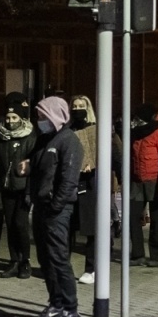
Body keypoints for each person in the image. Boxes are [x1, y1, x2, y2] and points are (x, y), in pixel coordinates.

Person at [28, 96, 83, 317]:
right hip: (42, 207)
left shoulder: (69, 141)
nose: (39, 120)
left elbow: (68, 179)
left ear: (55, 116)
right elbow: (40, 168)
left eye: (42, 116)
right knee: (45, 258)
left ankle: (71, 312)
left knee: (59, 260)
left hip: (56, 210)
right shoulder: (45, 139)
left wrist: (55, 206)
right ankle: (56, 303)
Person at [0, 91, 35, 280]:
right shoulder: (1, 137)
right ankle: (14, 261)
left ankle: (25, 262)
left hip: (23, 188)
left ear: (21, 118)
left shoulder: (30, 137)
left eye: (14, 117)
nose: (10, 120)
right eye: (8, 117)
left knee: (20, 224)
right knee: (10, 225)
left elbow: (33, 162)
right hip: (5, 187)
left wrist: (30, 187)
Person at [128, 103, 158, 266]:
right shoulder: (136, 133)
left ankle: (157, 257)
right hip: (137, 181)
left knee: (157, 221)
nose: (135, 121)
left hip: (156, 181)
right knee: (132, 218)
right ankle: (138, 254)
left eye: (138, 118)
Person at [68, 95, 102, 284]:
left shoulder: (95, 129)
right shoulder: (68, 130)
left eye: (81, 106)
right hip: (72, 182)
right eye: (75, 106)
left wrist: (92, 164)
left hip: (91, 183)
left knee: (91, 229)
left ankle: (91, 269)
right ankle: (65, 267)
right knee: (68, 228)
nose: (78, 109)